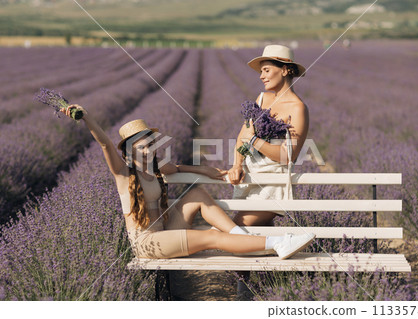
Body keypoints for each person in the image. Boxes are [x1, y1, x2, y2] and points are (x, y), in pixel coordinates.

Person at [61, 105, 315, 261]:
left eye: (150, 145)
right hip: (148, 242)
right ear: (128, 154)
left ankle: (241, 236)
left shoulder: (157, 168)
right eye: (141, 148)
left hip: (166, 229)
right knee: (209, 239)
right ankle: (275, 243)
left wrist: (206, 170)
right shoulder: (123, 174)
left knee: (198, 193)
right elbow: (105, 143)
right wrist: (86, 117)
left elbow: (179, 168)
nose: (148, 151)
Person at [228, 44, 310, 234]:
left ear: (284, 70)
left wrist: (255, 141)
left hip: (274, 183)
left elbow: (288, 156)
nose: (261, 75)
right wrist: (237, 165)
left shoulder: (298, 108)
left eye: (266, 70)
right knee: (258, 234)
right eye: (261, 71)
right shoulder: (262, 99)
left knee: (238, 227)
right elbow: (242, 137)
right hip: (251, 176)